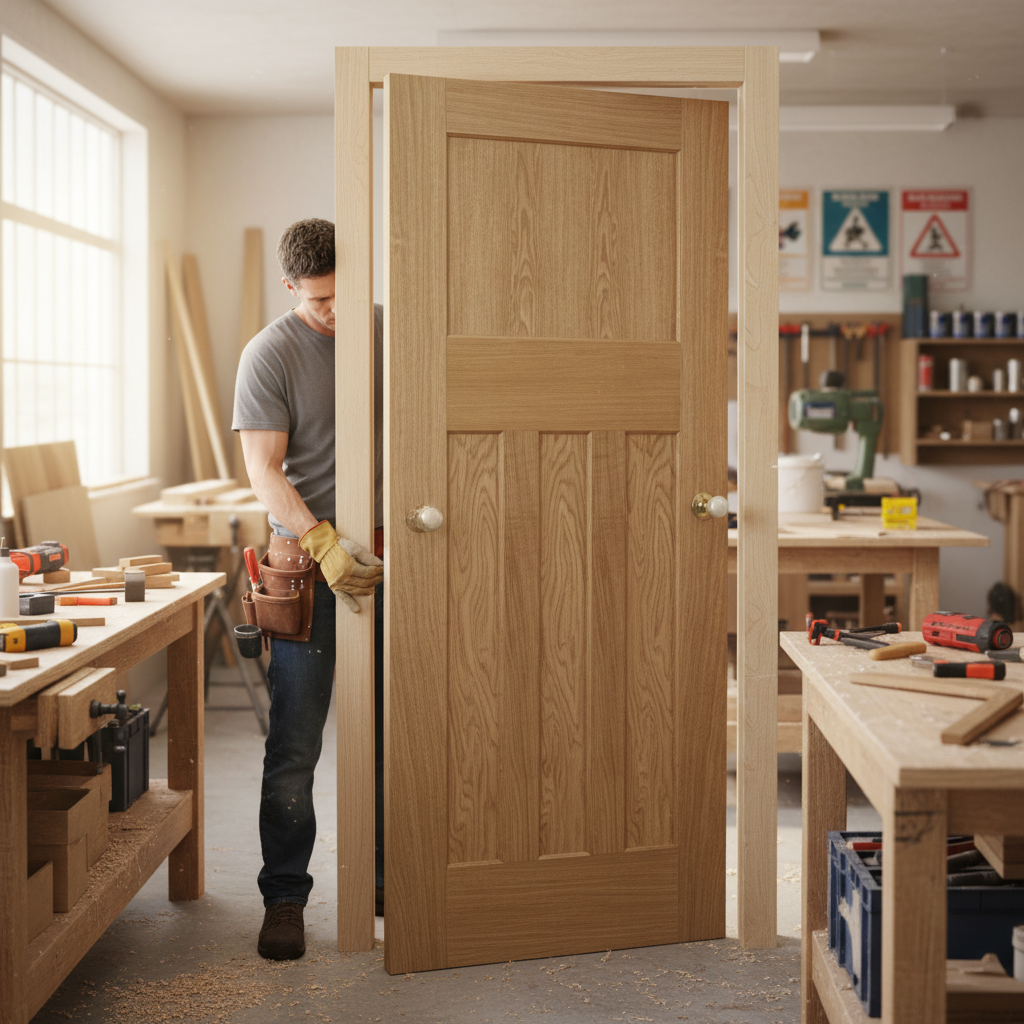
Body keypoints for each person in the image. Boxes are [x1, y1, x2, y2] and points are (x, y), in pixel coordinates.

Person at [232, 218, 384, 961]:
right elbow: (264, 471)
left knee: (399, 732)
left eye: (345, 295)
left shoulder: (388, 332)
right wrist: (322, 542)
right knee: (295, 742)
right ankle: (285, 897)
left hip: (389, 560)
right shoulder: (270, 354)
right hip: (305, 566)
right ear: (292, 288)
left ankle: (391, 881)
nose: (336, 312)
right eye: (321, 300)